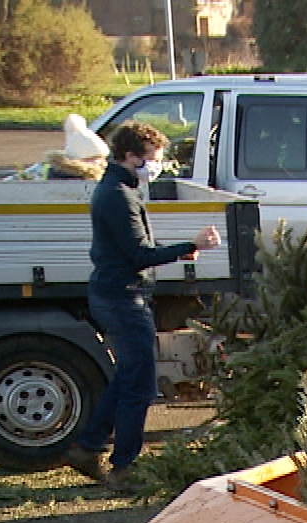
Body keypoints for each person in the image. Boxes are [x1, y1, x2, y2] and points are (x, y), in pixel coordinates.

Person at [64, 122, 220, 489]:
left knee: (128, 378)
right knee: (140, 386)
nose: (156, 166)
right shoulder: (119, 195)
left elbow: (133, 246)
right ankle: (123, 468)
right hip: (123, 299)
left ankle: (87, 447)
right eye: (152, 159)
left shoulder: (119, 190)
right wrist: (190, 245)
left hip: (117, 295)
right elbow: (139, 254)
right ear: (130, 156)